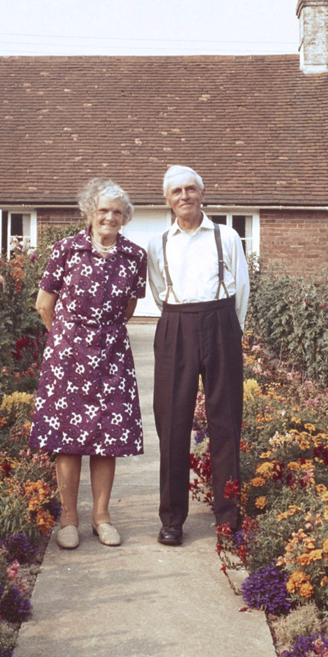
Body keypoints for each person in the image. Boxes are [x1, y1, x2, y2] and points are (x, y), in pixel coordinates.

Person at [30, 178, 148, 550]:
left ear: (124, 217)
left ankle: (101, 516)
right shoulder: (66, 250)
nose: (109, 217)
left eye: (116, 212)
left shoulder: (135, 257)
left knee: (106, 438)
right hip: (67, 354)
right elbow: (44, 304)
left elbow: (129, 308)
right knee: (67, 438)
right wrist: (66, 340)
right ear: (89, 213)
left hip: (111, 355)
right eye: (103, 210)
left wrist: (100, 336)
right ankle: (68, 518)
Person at [146, 165, 250, 546]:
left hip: (221, 321)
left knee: (225, 422)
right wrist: (182, 321)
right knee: (172, 424)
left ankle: (228, 518)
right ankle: (172, 520)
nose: (185, 196)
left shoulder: (227, 236)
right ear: (167, 200)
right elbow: (159, 291)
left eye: (191, 189)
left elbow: (241, 289)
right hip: (176, 326)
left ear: (202, 194)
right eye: (177, 192)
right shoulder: (159, 243)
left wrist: (226, 327)